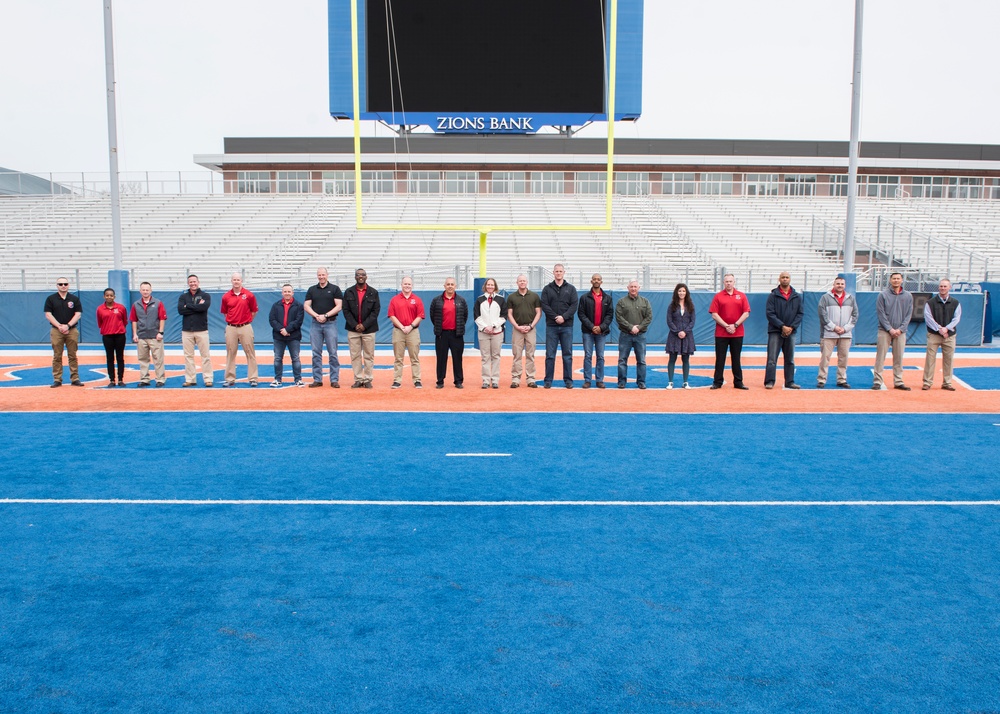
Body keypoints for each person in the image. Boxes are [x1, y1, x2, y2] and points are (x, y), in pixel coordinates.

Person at [303, 267, 343, 388]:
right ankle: (317, 379)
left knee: (333, 353)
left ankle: (334, 379)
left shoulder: (334, 289)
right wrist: (317, 316)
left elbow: (339, 306)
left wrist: (325, 315)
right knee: (316, 353)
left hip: (330, 323)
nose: (321, 277)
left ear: (327, 275)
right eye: (319, 275)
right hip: (316, 324)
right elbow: (306, 305)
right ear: (317, 276)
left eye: (323, 275)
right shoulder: (312, 290)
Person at [709, 273, 751, 390]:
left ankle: (738, 382)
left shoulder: (741, 296)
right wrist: (727, 326)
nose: (728, 283)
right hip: (721, 333)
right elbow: (714, 314)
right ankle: (717, 382)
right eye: (726, 281)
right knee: (720, 358)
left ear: (734, 282)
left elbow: (746, 313)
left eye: (730, 281)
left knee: (736, 358)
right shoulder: (718, 296)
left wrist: (735, 325)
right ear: (723, 283)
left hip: (737, 333)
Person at [540, 263, 579, 388]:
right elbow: (545, 305)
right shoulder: (547, 289)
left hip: (567, 326)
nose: (558, 273)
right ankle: (548, 380)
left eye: (560, 271)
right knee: (550, 355)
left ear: (564, 272)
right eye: (556, 271)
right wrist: (555, 317)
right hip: (551, 326)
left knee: (567, 354)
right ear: (553, 272)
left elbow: (574, 306)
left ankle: (568, 380)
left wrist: (564, 317)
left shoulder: (571, 289)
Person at [872, 272, 913, 391]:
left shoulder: (908, 296)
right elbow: (881, 313)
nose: (896, 280)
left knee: (899, 357)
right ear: (890, 280)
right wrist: (889, 329)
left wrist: (900, 329)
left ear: (902, 280)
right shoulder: (882, 295)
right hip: (884, 331)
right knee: (880, 357)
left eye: (898, 278)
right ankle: (877, 381)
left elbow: (908, 314)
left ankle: (898, 381)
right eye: (894, 278)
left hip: (901, 332)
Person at [764, 271, 804, 390]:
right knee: (772, 358)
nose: (785, 279)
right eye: (783, 277)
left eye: (787, 277)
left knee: (790, 359)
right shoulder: (773, 296)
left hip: (791, 332)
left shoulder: (797, 297)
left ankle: (790, 381)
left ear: (790, 279)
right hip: (775, 331)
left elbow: (800, 314)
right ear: (779, 279)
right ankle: (769, 381)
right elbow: (770, 314)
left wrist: (791, 327)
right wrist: (782, 326)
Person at [817, 276, 859, 389]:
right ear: (834, 285)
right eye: (838, 284)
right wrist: (834, 327)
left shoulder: (851, 298)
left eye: (842, 284)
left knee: (843, 358)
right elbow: (822, 315)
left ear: (845, 285)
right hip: (829, 333)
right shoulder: (825, 298)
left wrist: (845, 328)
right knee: (825, 358)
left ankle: (841, 379)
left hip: (845, 334)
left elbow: (855, 315)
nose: (840, 286)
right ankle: (822, 379)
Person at [342, 268, 380, 388]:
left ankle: (368, 379)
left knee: (369, 355)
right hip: (353, 330)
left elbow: (375, 311)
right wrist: (355, 325)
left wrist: (364, 325)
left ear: (366, 277)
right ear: (355, 277)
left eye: (363, 275)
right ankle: (358, 378)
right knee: (355, 355)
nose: (360, 276)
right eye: (358, 275)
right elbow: (346, 311)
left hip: (369, 330)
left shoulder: (373, 292)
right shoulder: (348, 292)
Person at [922, 278, 961, 391]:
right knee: (930, 359)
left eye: (945, 286)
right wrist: (939, 329)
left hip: (949, 336)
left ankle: (947, 383)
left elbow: (956, 318)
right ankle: (927, 382)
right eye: (941, 286)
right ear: (938, 287)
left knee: (949, 360)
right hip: (934, 335)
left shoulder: (956, 303)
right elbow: (928, 318)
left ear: (950, 287)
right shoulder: (930, 302)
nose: (943, 288)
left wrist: (947, 329)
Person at [220, 272, 259, 387]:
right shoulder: (226, 296)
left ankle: (253, 378)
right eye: (234, 279)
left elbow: (254, 311)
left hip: (245, 326)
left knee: (250, 352)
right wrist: (232, 322)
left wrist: (246, 321)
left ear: (241, 281)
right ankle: (230, 378)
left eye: (238, 279)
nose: (236, 281)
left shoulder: (249, 295)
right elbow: (225, 313)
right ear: (231, 281)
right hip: (231, 327)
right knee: (230, 353)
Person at [43, 277, 83, 387]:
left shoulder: (74, 299)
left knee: (73, 355)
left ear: (68, 285)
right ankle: (57, 379)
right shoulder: (51, 299)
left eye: (65, 284)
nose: (63, 286)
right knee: (57, 355)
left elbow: (78, 314)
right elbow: (48, 314)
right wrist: (59, 326)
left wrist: (68, 325)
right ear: (57, 286)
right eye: (60, 284)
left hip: (72, 330)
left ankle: (75, 378)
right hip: (56, 330)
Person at [429, 277, 468, 389]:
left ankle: (458, 381)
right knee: (441, 358)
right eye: (448, 284)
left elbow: (464, 316)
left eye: (452, 284)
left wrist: (458, 328)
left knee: (457, 358)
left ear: (455, 286)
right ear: (444, 286)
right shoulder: (436, 300)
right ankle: (440, 381)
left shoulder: (461, 300)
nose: (450, 286)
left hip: (457, 334)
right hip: (442, 334)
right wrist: (440, 328)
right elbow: (433, 316)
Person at [387, 276, 425, 389]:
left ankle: (417, 380)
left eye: (409, 284)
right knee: (398, 358)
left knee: (415, 357)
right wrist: (402, 327)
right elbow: (391, 315)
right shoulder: (395, 300)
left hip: (413, 331)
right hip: (398, 331)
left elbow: (420, 316)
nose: (407, 286)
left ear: (412, 285)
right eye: (405, 284)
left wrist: (410, 326)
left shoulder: (417, 300)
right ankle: (397, 380)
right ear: (401, 285)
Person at [577, 273, 613, 389]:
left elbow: (609, 315)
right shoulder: (584, 298)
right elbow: (581, 314)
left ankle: (599, 380)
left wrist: (601, 327)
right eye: (594, 279)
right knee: (588, 355)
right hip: (588, 332)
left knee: (600, 356)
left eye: (598, 279)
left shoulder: (607, 298)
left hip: (601, 333)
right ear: (591, 281)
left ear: (601, 282)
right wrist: (592, 326)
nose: (596, 281)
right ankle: (587, 380)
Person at [615, 280, 653, 389]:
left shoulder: (645, 302)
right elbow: (619, 317)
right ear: (628, 288)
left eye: (635, 287)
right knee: (622, 360)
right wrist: (630, 327)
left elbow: (648, 317)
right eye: (631, 287)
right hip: (625, 335)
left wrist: (639, 328)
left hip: (640, 336)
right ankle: (622, 381)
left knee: (641, 360)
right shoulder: (621, 302)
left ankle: (641, 382)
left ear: (639, 288)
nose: (633, 289)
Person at [177, 274, 213, 387]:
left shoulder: (205, 295)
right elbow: (180, 311)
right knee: (188, 356)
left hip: (201, 330)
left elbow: (203, 308)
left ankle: (208, 378)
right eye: (191, 282)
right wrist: (196, 307)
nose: (193, 283)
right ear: (188, 283)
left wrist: (188, 306)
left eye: (194, 281)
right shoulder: (183, 297)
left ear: (198, 282)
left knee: (205, 355)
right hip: (187, 330)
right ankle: (190, 378)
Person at [129, 281, 168, 387]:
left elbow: (162, 318)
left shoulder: (158, 303)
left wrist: (160, 332)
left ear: (151, 291)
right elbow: (134, 320)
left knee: (158, 359)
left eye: (147, 290)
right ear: (140, 291)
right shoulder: (136, 305)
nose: (145, 291)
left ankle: (160, 379)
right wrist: (135, 334)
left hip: (155, 336)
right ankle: (144, 379)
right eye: (143, 290)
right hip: (141, 336)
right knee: (143, 359)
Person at [506, 274, 541, 388]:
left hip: (530, 329)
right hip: (517, 329)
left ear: (527, 282)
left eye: (524, 281)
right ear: (517, 283)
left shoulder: (534, 296)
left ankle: (531, 378)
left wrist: (531, 326)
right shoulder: (512, 297)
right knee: (517, 354)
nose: (522, 282)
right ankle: (515, 379)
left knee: (530, 354)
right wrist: (516, 326)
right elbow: (509, 314)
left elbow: (538, 313)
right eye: (520, 281)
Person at [268, 284, 304, 387]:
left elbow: (298, 321)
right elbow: (272, 320)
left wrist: (287, 330)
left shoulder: (299, 306)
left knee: (295, 358)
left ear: (293, 293)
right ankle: (277, 379)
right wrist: (281, 330)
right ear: (282, 293)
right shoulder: (276, 305)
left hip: (294, 337)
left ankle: (298, 379)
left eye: (289, 291)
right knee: (278, 358)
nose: (287, 293)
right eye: (285, 291)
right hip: (279, 337)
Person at [474, 278, 506, 389]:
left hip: (497, 332)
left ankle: (495, 380)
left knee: (496, 356)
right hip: (483, 333)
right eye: (488, 285)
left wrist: (493, 325)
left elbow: (503, 316)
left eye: (492, 285)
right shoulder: (480, 300)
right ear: (485, 286)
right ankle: (486, 380)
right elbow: (476, 316)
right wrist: (485, 327)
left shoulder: (501, 300)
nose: (490, 287)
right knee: (485, 357)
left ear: (495, 286)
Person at [665, 283, 695, 390]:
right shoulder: (671, 306)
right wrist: (677, 331)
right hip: (674, 336)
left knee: (686, 359)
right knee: (672, 358)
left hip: (687, 336)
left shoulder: (690, 306)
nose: (681, 293)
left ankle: (685, 382)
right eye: (679, 291)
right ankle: (670, 382)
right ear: (676, 292)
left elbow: (692, 321)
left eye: (683, 291)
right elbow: (669, 321)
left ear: (686, 293)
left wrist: (685, 331)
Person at [96, 287, 128, 387]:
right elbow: (100, 323)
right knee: (110, 358)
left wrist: (118, 328)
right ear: (104, 296)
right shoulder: (100, 309)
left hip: (120, 336)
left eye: (111, 295)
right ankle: (112, 380)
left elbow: (124, 321)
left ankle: (120, 379)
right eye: (107, 295)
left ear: (114, 296)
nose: (109, 297)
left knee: (120, 357)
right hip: (107, 336)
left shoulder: (121, 308)